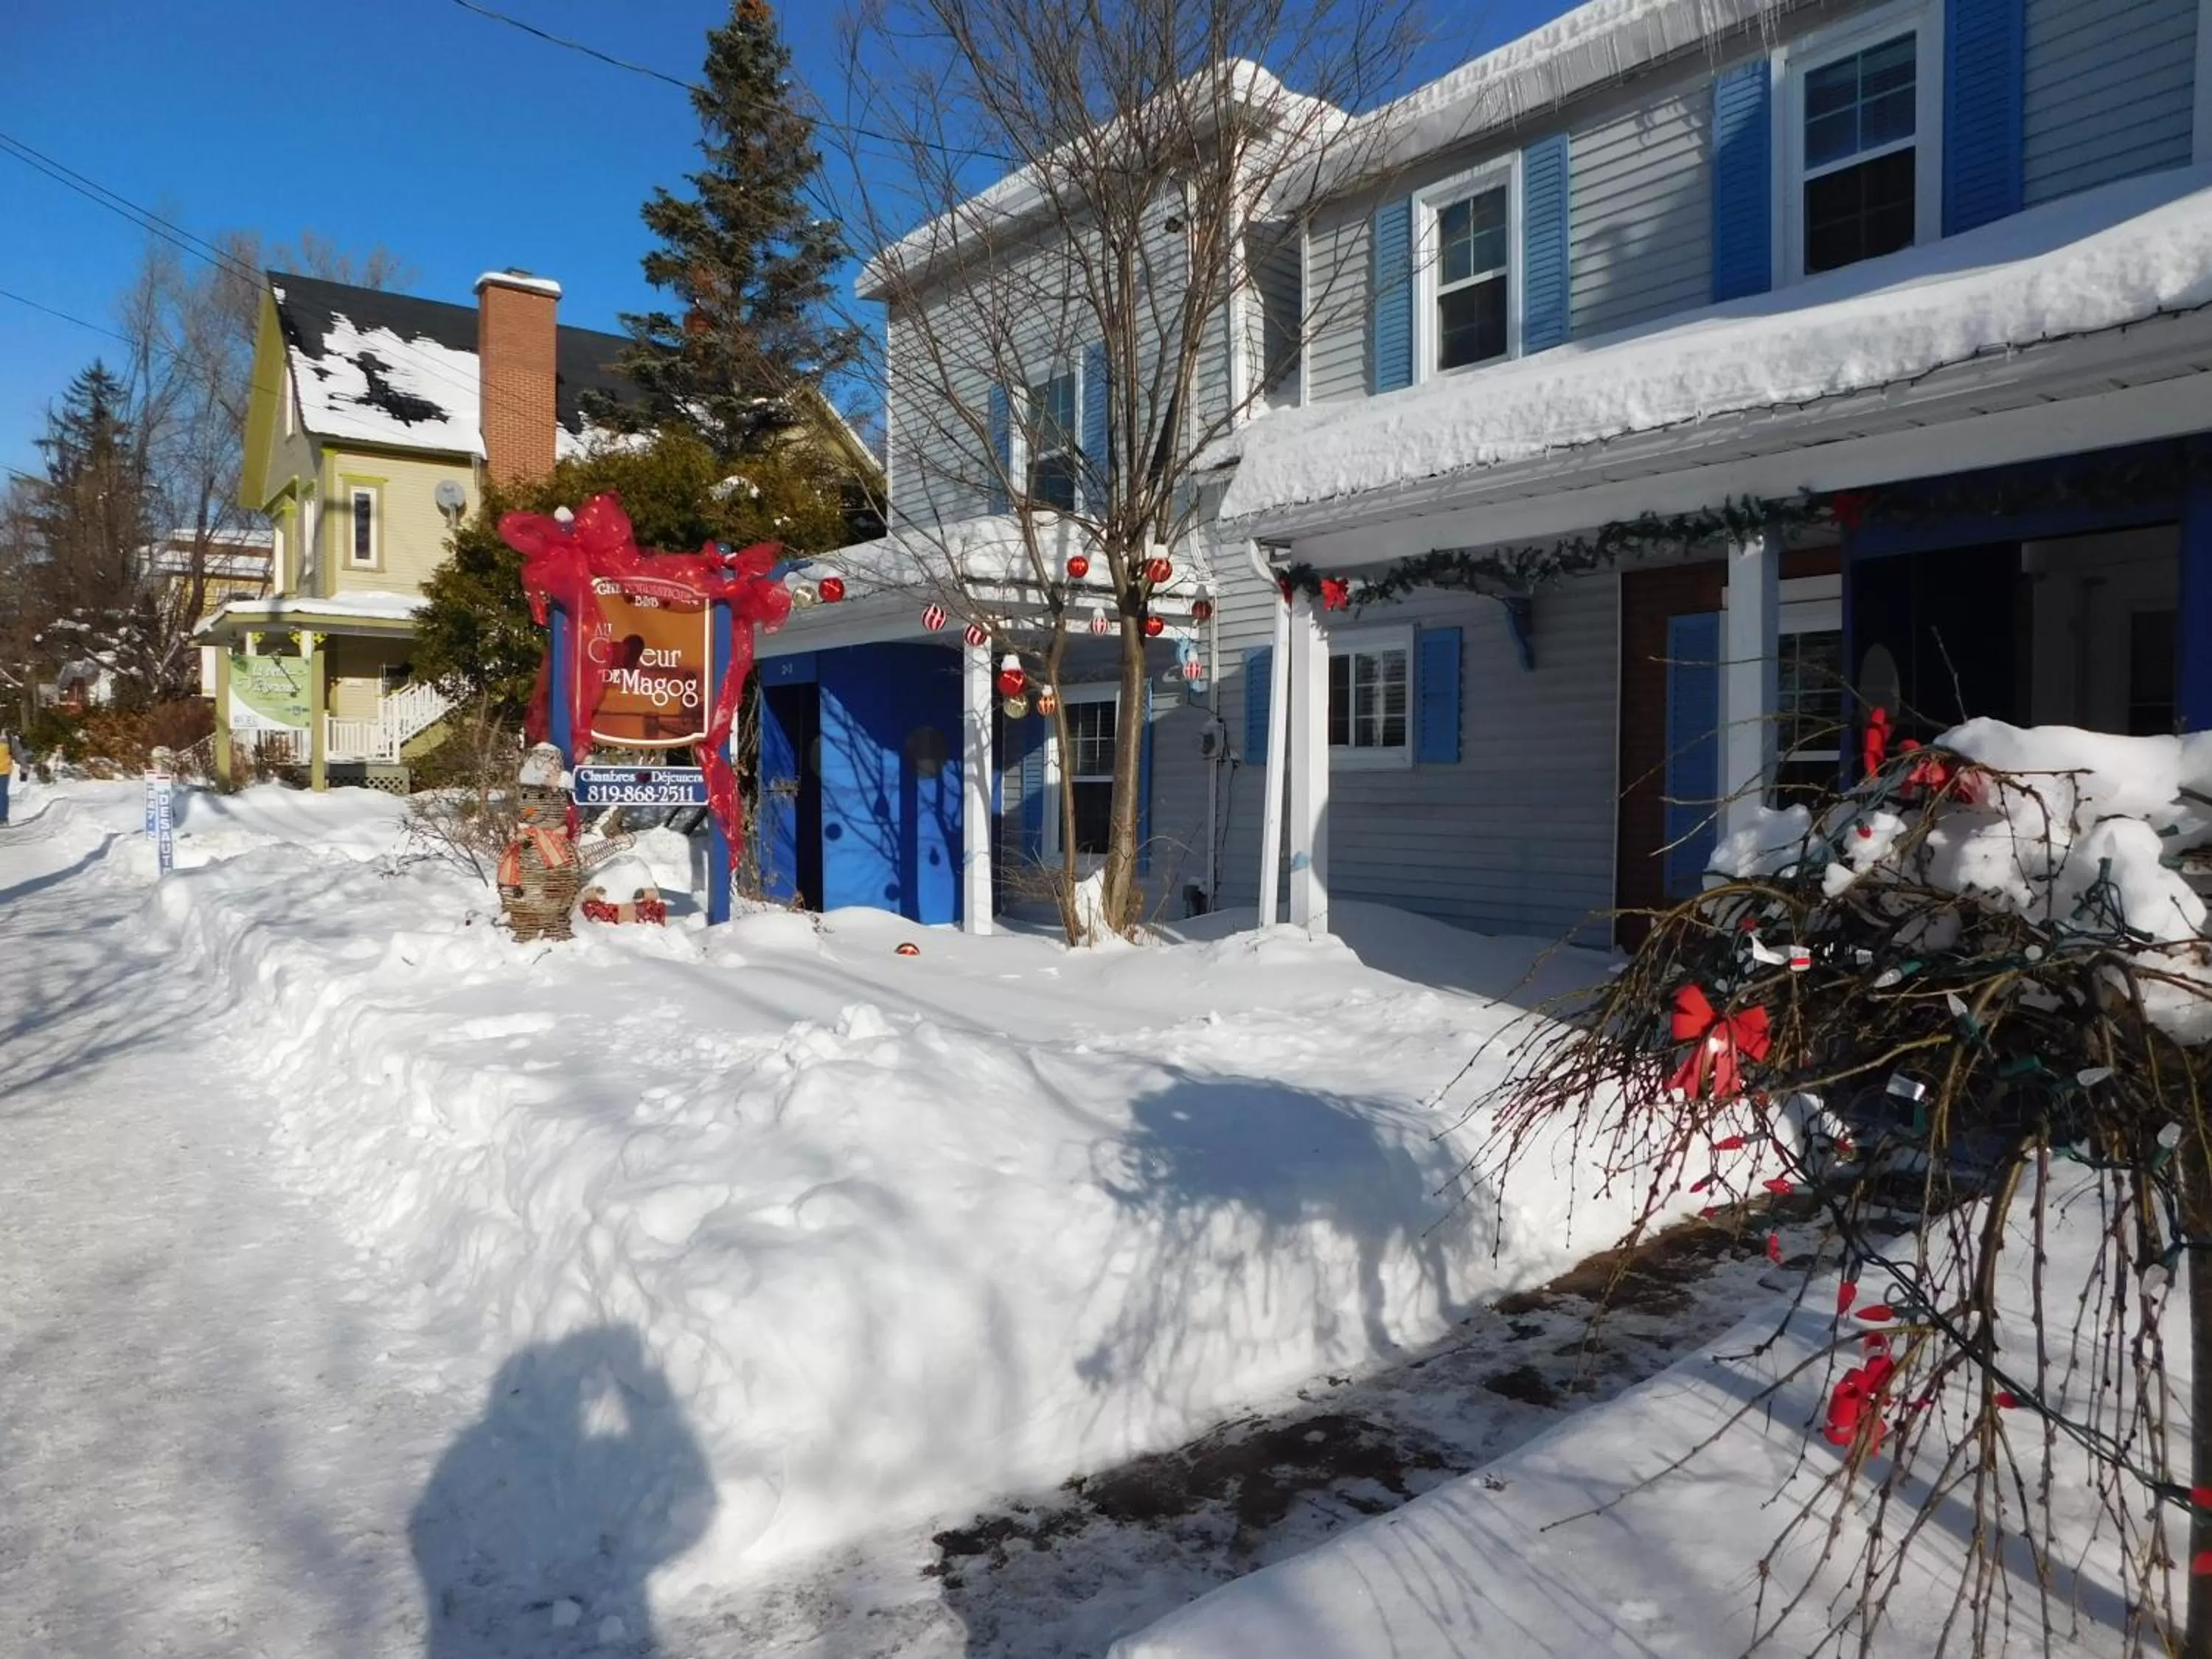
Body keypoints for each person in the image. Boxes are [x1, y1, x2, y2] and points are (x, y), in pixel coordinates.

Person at [0, 731, 13, 826]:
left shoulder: (7, 735)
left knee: (2, 794)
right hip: (5, 771)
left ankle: (3, 818)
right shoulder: (7, 737)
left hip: (5, 771)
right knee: (3, 794)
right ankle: (3, 818)